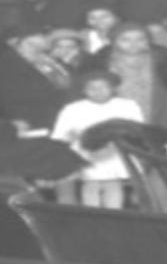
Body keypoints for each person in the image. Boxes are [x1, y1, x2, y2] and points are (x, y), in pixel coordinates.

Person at [50, 71, 151, 209]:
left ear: (113, 88)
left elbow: (138, 129)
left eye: (103, 87)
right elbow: (59, 135)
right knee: (91, 184)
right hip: (88, 153)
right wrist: (72, 136)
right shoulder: (73, 109)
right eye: (92, 88)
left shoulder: (127, 106)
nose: (98, 92)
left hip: (115, 153)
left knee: (113, 183)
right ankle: (93, 215)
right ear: (84, 90)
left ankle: (114, 214)